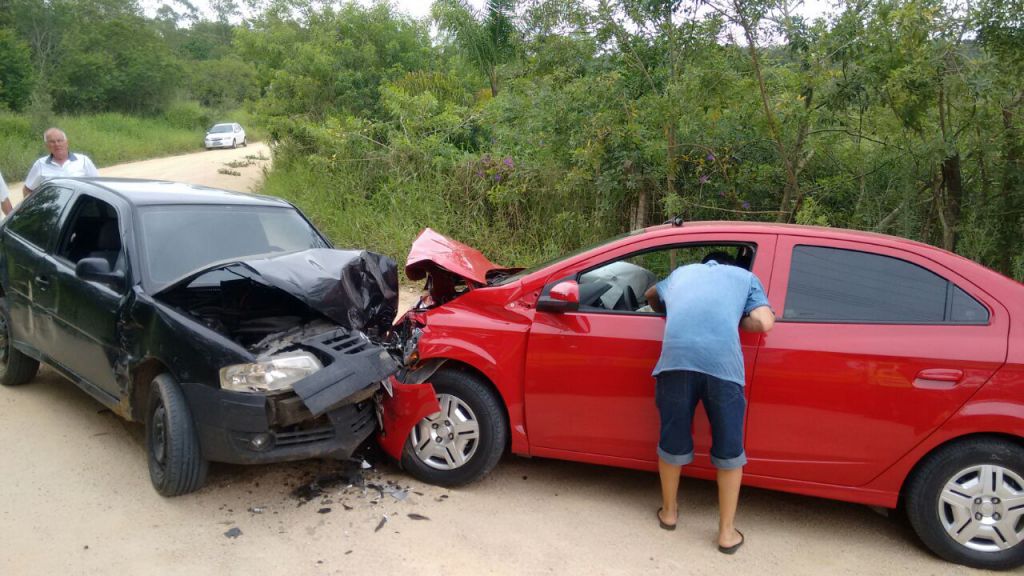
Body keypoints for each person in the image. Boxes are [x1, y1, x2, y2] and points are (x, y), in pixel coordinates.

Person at [643, 251, 775, 555]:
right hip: (724, 368)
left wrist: (668, 309)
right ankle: (726, 534)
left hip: (675, 362)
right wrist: (737, 318)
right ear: (731, 266)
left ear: (704, 265)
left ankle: (669, 514)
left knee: (672, 439)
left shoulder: (682, 274)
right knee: (729, 449)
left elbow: (651, 294)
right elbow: (763, 322)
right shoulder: (745, 278)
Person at [22, 127, 98, 198]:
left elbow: (98, 184)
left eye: (60, 140)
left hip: (80, 207)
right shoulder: (40, 165)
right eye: (52, 142)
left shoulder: (83, 160)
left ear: (67, 143)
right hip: (54, 209)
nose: (57, 144)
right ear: (47, 145)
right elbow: (27, 189)